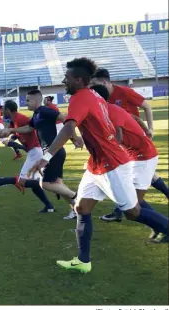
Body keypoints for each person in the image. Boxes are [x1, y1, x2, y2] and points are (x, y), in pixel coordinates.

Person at [28, 57, 168, 273]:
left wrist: (45, 157)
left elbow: (67, 128)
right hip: (97, 164)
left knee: (133, 212)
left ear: (79, 80)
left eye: (67, 78)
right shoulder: (92, 95)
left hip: (112, 164)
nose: (64, 81)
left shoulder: (80, 97)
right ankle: (83, 262)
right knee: (82, 207)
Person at [90, 84, 168, 243]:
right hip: (133, 156)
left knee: (132, 205)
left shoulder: (110, 110)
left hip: (143, 157)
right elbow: (134, 118)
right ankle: (159, 226)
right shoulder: (104, 111)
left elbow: (117, 135)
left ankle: (163, 227)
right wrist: (146, 131)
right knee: (132, 201)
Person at [9, 89, 79, 219]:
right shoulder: (36, 115)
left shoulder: (45, 111)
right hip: (54, 152)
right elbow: (29, 128)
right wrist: (12, 130)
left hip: (53, 152)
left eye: (28, 100)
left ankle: (76, 196)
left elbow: (65, 118)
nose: (26, 103)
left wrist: (74, 137)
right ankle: (76, 209)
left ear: (36, 101)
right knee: (57, 184)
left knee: (45, 184)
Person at [0, 100, 55, 213]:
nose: (1, 111)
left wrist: (13, 130)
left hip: (35, 151)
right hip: (33, 151)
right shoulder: (13, 120)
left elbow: (31, 127)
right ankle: (49, 206)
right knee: (33, 184)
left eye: (3, 109)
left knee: (21, 181)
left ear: (7, 110)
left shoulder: (20, 118)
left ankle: (51, 186)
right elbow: (5, 133)